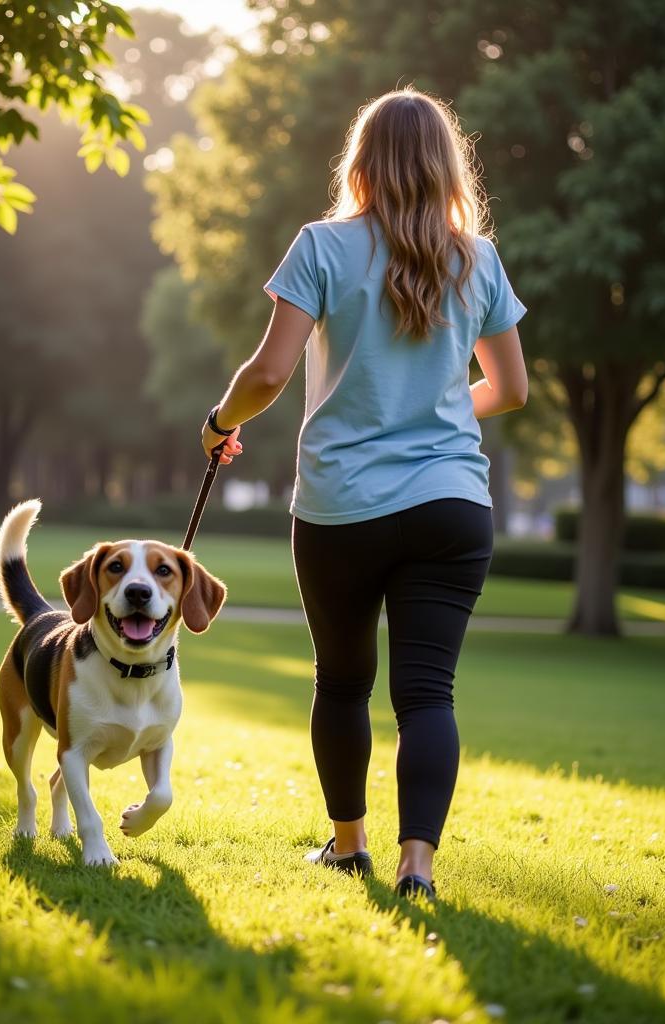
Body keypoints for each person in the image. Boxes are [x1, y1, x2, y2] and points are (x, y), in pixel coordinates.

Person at [199, 88, 528, 898]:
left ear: (362, 161)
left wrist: (218, 421)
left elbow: (270, 373)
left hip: (343, 505)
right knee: (428, 691)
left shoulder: (321, 246)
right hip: (453, 505)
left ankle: (350, 849)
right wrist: (442, 404)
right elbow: (511, 388)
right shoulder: (476, 258)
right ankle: (418, 865)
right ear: (446, 164)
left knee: (342, 681)